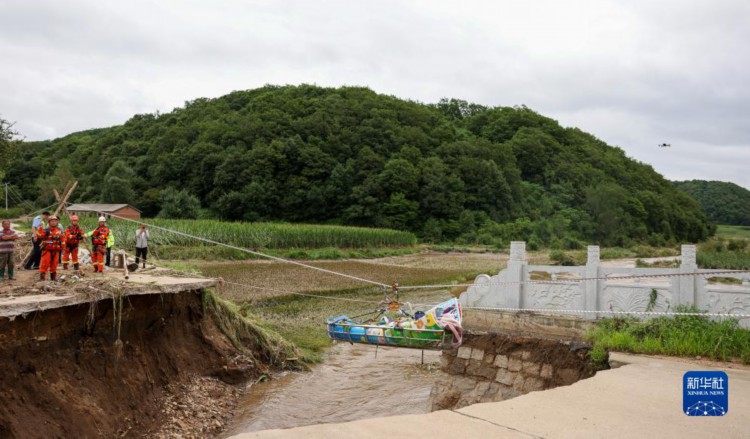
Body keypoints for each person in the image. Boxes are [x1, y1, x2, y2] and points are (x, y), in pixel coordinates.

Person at [38, 215, 64, 281]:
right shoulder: (46, 230)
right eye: (52, 221)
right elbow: (39, 235)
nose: (54, 222)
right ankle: (42, 278)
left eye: (55, 221)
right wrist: (40, 228)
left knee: (55, 264)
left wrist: (63, 247)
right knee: (45, 263)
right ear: (49, 222)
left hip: (56, 250)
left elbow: (63, 239)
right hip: (47, 250)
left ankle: (53, 278)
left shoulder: (60, 230)